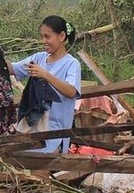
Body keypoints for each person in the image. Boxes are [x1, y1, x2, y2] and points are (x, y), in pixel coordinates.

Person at [7, 15, 82, 154]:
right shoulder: (39, 58)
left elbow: (72, 92)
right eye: (42, 37)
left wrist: (45, 75)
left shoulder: (71, 64)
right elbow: (12, 69)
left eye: (47, 37)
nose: (44, 41)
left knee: (39, 173)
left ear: (61, 36)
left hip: (55, 133)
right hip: (34, 130)